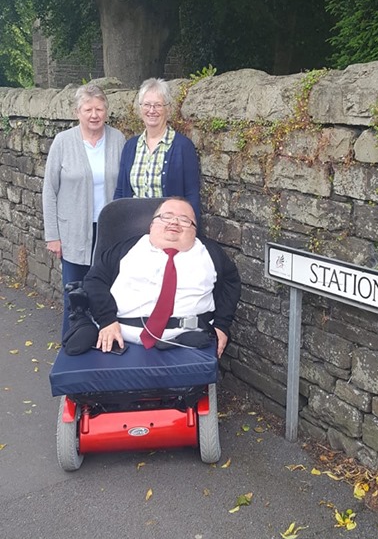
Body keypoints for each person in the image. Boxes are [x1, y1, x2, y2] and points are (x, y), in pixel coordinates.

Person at [83, 197, 241, 359]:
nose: (174, 222)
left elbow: (231, 283)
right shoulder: (125, 250)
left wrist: (222, 325)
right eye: (166, 216)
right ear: (152, 224)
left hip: (187, 343)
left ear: (195, 230)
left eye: (184, 220)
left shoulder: (211, 254)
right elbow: (94, 280)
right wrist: (106, 320)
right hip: (121, 341)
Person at [43, 83, 125, 336]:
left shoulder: (118, 139)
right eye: (88, 109)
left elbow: (124, 186)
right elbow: (49, 190)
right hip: (74, 231)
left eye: (99, 108)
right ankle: (71, 343)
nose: (94, 115)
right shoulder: (63, 142)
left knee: (108, 290)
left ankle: (104, 344)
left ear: (106, 111)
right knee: (74, 293)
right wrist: (53, 235)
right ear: (77, 112)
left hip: (109, 232)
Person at [113, 78, 201, 227]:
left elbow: (192, 194)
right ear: (140, 108)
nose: (152, 110)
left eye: (158, 105)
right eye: (147, 105)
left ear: (168, 109)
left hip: (169, 229)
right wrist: (117, 226)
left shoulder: (183, 147)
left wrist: (191, 228)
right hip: (133, 227)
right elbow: (121, 192)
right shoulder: (130, 146)